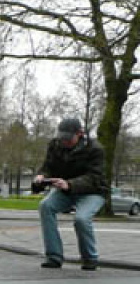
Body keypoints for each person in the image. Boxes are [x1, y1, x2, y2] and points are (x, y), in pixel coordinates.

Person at [34, 116, 107, 270]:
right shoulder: (55, 145)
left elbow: (95, 177)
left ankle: (89, 258)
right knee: (45, 206)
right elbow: (48, 166)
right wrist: (42, 176)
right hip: (65, 189)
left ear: (80, 134)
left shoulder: (95, 149)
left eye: (68, 139)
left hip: (92, 191)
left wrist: (70, 184)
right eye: (62, 138)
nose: (64, 142)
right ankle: (54, 256)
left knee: (81, 219)